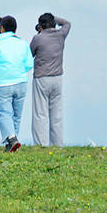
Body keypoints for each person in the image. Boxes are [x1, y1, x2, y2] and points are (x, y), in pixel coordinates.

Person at [0, 15, 33, 153]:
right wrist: (19, 72)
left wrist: (1, 73)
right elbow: (29, 63)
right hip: (21, 82)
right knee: (16, 114)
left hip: (3, 84)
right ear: (15, 29)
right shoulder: (23, 44)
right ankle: (12, 142)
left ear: (1, 28)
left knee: (4, 113)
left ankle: (11, 138)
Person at [30, 13, 71, 146]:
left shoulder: (38, 38)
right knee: (57, 114)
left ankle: (41, 143)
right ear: (53, 23)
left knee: (40, 113)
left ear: (40, 26)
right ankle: (58, 144)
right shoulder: (61, 35)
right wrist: (55, 18)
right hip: (57, 78)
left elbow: (30, 53)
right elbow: (67, 23)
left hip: (42, 78)